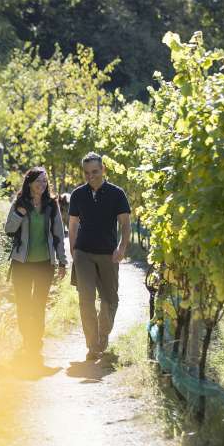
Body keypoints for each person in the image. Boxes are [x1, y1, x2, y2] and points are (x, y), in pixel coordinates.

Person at [68, 152, 131, 361]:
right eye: (87, 173)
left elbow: (125, 223)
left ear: (103, 169)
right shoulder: (78, 194)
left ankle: (102, 337)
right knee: (86, 299)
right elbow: (73, 223)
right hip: (83, 253)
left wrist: (122, 247)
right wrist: (73, 248)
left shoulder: (117, 193)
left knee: (109, 299)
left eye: (95, 172)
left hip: (108, 254)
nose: (91, 176)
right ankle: (92, 345)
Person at [5, 167, 68, 360]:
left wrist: (62, 262)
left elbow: (58, 234)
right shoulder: (20, 203)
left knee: (39, 304)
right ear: (30, 182)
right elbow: (8, 229)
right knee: (23, 304)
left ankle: (36, 339)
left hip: (44, 264)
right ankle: (27, 339)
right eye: (39, 181)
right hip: (21, 264)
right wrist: (20, 214)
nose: (42, 185)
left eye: (45, 181)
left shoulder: (51, 205)